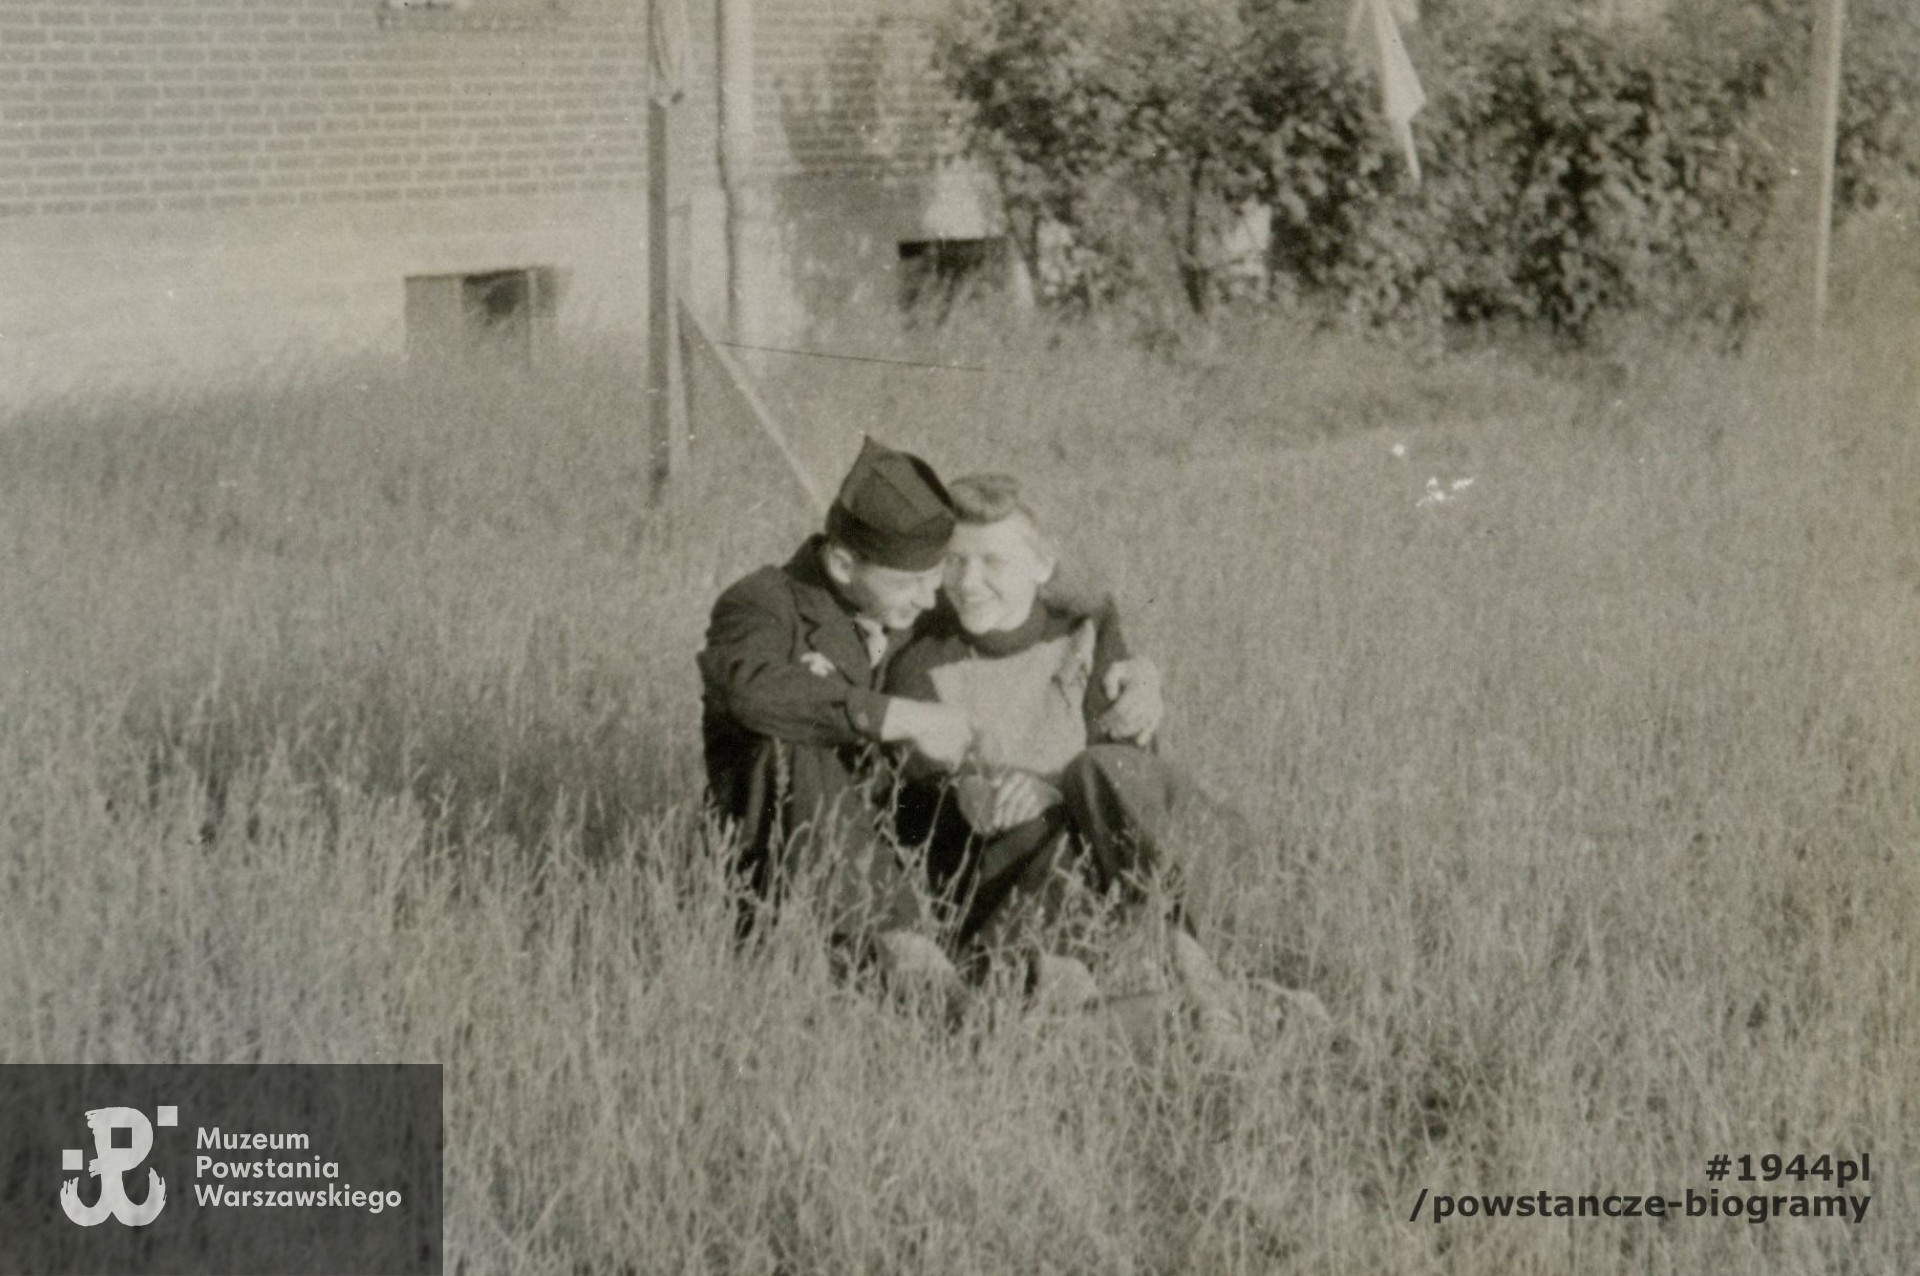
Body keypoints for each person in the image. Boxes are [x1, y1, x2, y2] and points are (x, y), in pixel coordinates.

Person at [697, 439, 1163, 985]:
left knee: (1054, 813)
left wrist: (1140, 671)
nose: (935, 596)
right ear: (845, 563)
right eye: (919, 580)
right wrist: (903, 718)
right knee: (791, 736)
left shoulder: (900, 590)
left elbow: (1054, 602)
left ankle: (1050, 980)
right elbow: (746, 689)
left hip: (918, 870)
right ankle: (933, 973)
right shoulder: (766, 602)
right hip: (812, 871)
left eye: (933, 576)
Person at [886, 472, 1249, 1053]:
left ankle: (1199, 976)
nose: (969, 583)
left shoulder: (1086, 629)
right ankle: (1126, 1015)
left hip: (1116, 867)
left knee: (1098, 771)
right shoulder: (920, 661)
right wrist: (963, 794)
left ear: (1041, 564)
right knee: (1031, 818)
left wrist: (1136, 694)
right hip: (1015, 879)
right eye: (954, 562)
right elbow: (918, 795)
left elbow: (1127, 780)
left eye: (992, 563)